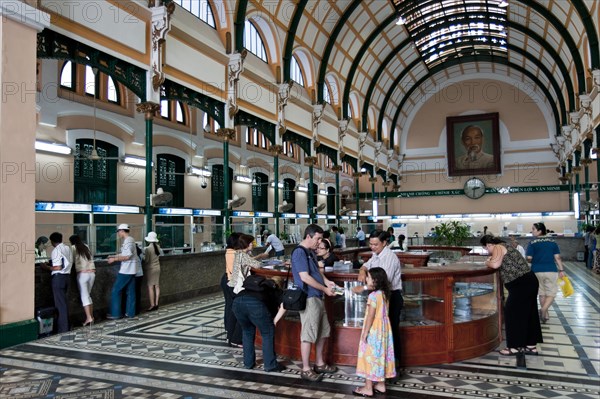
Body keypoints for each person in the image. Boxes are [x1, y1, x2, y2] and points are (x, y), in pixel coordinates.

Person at [481, 235, 542, 356]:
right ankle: (531, 346)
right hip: (528, 281)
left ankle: (514, 347)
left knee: (512, 313)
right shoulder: (505, 246)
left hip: (521, 284)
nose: (487, 251)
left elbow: (494, 264)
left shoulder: (498, 247)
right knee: (529, 313)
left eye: (486, 248)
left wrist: (486, 261)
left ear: (489, 245)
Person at [292, 224, 338, 382]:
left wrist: (327, 282)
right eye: (318, 239)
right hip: (310, 297)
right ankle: (305, 368)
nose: (320, 242)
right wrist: (324, 289)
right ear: (308, 236)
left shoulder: (310, 252)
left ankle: (319, 363)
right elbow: (305, 277)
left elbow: (316, 272)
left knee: (323, 331)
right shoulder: (299, 253)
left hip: (318, 295)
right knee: (308, 333)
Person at [354, 229, 403, 372]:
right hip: (380, 297)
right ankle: (380, 367)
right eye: (371, 244)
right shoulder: (376, 255)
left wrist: (361, 288)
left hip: (391, 297)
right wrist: (362, 271)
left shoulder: (389, 257)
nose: (372, 247)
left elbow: (381, 282)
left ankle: (394, 367)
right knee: (381, 334)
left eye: (375, 244)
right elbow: (365, 265)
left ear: (384, 243)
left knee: (391, 332)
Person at [354, 267, 396, 396]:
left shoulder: (373, 296)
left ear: (375, 281)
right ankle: (381, 385)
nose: (366, 279)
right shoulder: (384, 293)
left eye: (369, 277)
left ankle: (368, 388)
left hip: (374, 330)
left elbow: (371, 316)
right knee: (381, 355)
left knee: (370, 356)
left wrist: (365, 332)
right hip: (384, 330)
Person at [232, 274, 286, 372]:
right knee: (267, 333)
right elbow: (284, 306)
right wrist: (274, 321)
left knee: (247, 332)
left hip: (237, 302)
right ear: (280, 284)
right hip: (255, 305)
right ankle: (270, 365)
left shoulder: (258, 286)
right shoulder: (276, 289)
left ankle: (248, 363)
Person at [526, 222, 565, 324]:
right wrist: (561, 270)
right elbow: (558, 257)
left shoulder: (532, 243)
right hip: (551, 270)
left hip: (536, 271)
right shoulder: (552, 242)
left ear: (539, 231)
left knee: (542, 293)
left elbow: (529, 258)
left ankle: (544, 312)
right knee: (551, 293)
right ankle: (544, 311)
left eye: (533, 229)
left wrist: (531, 260)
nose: (532, 231)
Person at [41, 232, 72, 333]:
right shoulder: (67, 248)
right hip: (67, 277)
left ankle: (63, 329)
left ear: (52, 241)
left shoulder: (56, 250)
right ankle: (67, 326)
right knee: (64, 303)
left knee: (60, 305)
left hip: (59, 278)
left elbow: (58, 266)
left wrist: (47, 267)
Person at [107, 224, 140, 319]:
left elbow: (127, 256)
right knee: (130, 291)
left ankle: (115, 313)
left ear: (122, 231)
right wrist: (114, 256)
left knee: (116, 291)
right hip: (132, 269)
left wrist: (114, 259)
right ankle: (130, 313)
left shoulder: (128, 240)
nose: (118, 233)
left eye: (118, 231)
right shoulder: (130, 240)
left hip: (126, 270)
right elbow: (125, 253)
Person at [69, 235, 95, 327]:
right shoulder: (86, 246)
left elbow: (70, 261)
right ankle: (91, 317)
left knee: (85, 297)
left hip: (82, 274)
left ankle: (89, 318)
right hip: (92, 273)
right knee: (88, 295)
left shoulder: (73, 248)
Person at [221, 233, 241, 346]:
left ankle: (229, 330)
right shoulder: (235, 253)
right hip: (232, 281)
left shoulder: (229, 251)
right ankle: (233, 334)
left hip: (226, 280)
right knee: (234, 307)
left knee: (229, 305)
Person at [143, 231, 163, 311]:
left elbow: (147, 260)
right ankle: (157, 303)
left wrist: (143, 257)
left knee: (151, 287)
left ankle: (152, 305)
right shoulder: (158, 247)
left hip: (150, 269)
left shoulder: (147, 249)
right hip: (157, 268)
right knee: (157, 286)